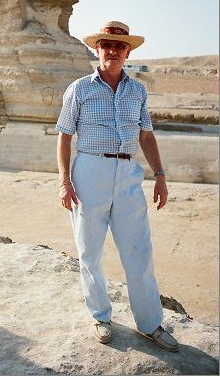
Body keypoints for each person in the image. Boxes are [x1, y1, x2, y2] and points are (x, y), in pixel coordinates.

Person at [56, 21, 179, 352]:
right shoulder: (79, 89)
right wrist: (65, 181)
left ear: (128, 51)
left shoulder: (138, 90)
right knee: (89, 250)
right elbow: (65, 135)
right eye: (106, 45)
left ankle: (151, 324)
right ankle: (100, 316)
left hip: (128, 174)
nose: (112, 50)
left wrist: (161, 175)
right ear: (97, 50)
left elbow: (147, 135)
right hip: (89, 170)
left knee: (139, 251)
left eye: (119, 46)